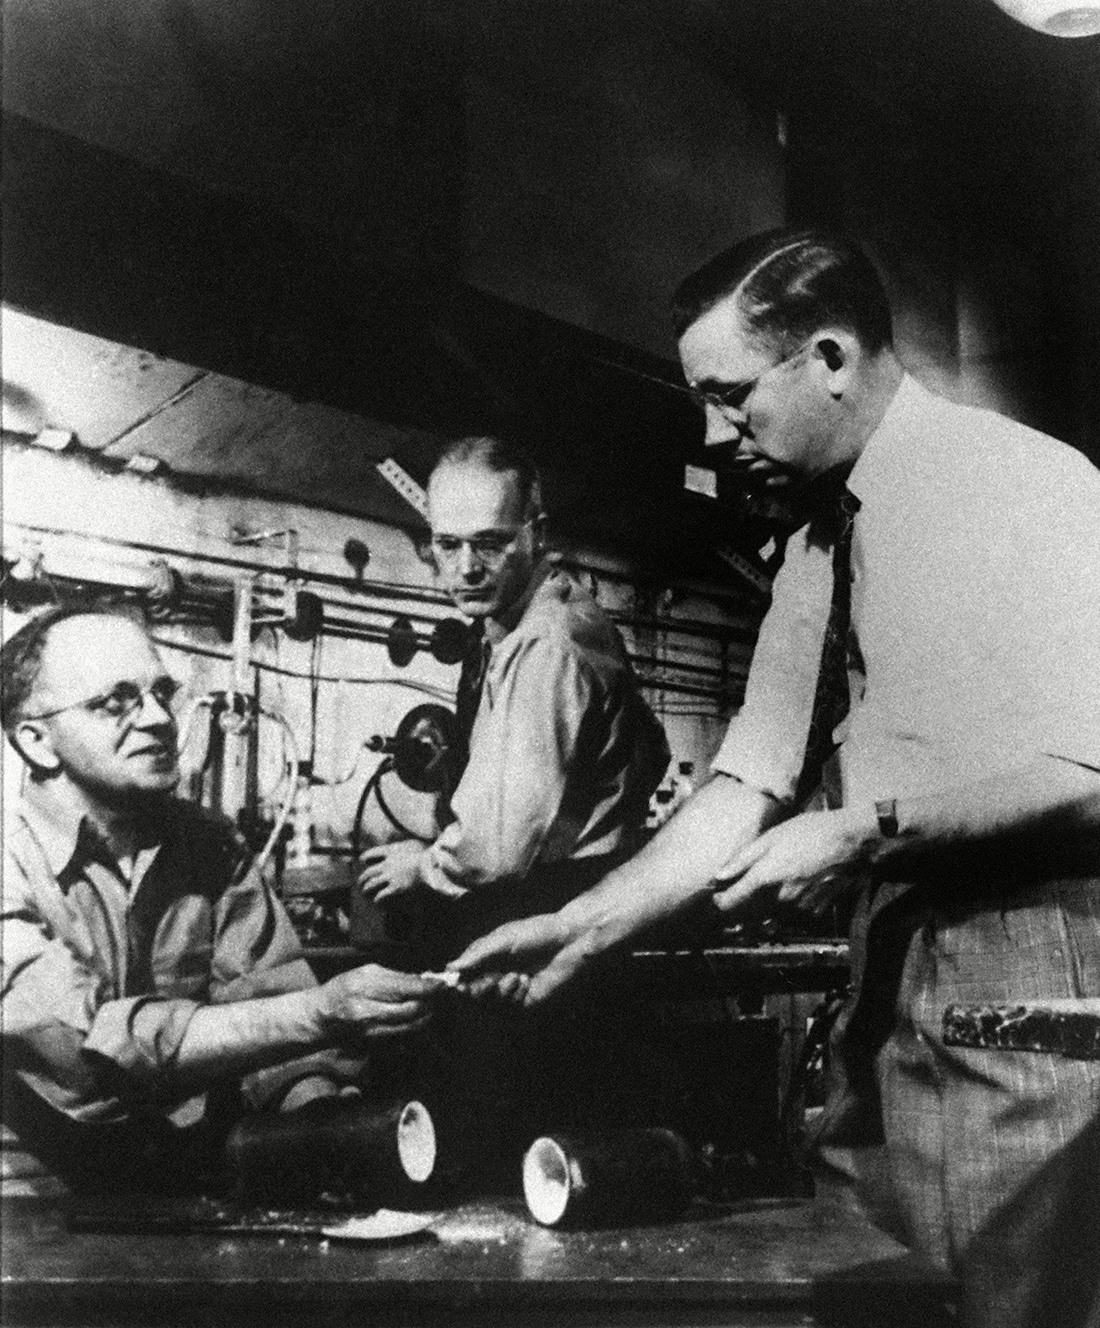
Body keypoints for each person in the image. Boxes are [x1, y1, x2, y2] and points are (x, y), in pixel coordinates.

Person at [452, 230, 1100, 1326]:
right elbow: (744, 783)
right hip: (886, 960)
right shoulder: (813, 548)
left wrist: (860, 833)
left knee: (1006, 1301)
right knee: (871, 1288)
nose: (712, 432)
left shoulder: (1022, 485)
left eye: (729, 396)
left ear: (832, 357)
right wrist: (583, 922)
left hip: (1025, 952)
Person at [1, 604, 439, 1191]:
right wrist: (320, 1012)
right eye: (116, 702)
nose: (158, 718)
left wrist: (329, 1125)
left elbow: (272, 1004)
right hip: (30, 1191)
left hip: (186, 1172)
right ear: (37, 741)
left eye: (161, 693)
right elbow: (88, 1057)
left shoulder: (209, 845)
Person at [358, 435, 673, 1148]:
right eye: (447, 545)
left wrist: (424, 864)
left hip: (545, 924)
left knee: (512, 1159)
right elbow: (645, 753)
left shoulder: (544, 643)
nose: (465, 567)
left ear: (536, 534)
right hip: (559, 914)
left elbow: (497, 850)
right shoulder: (523, 626)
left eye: (491, 543)